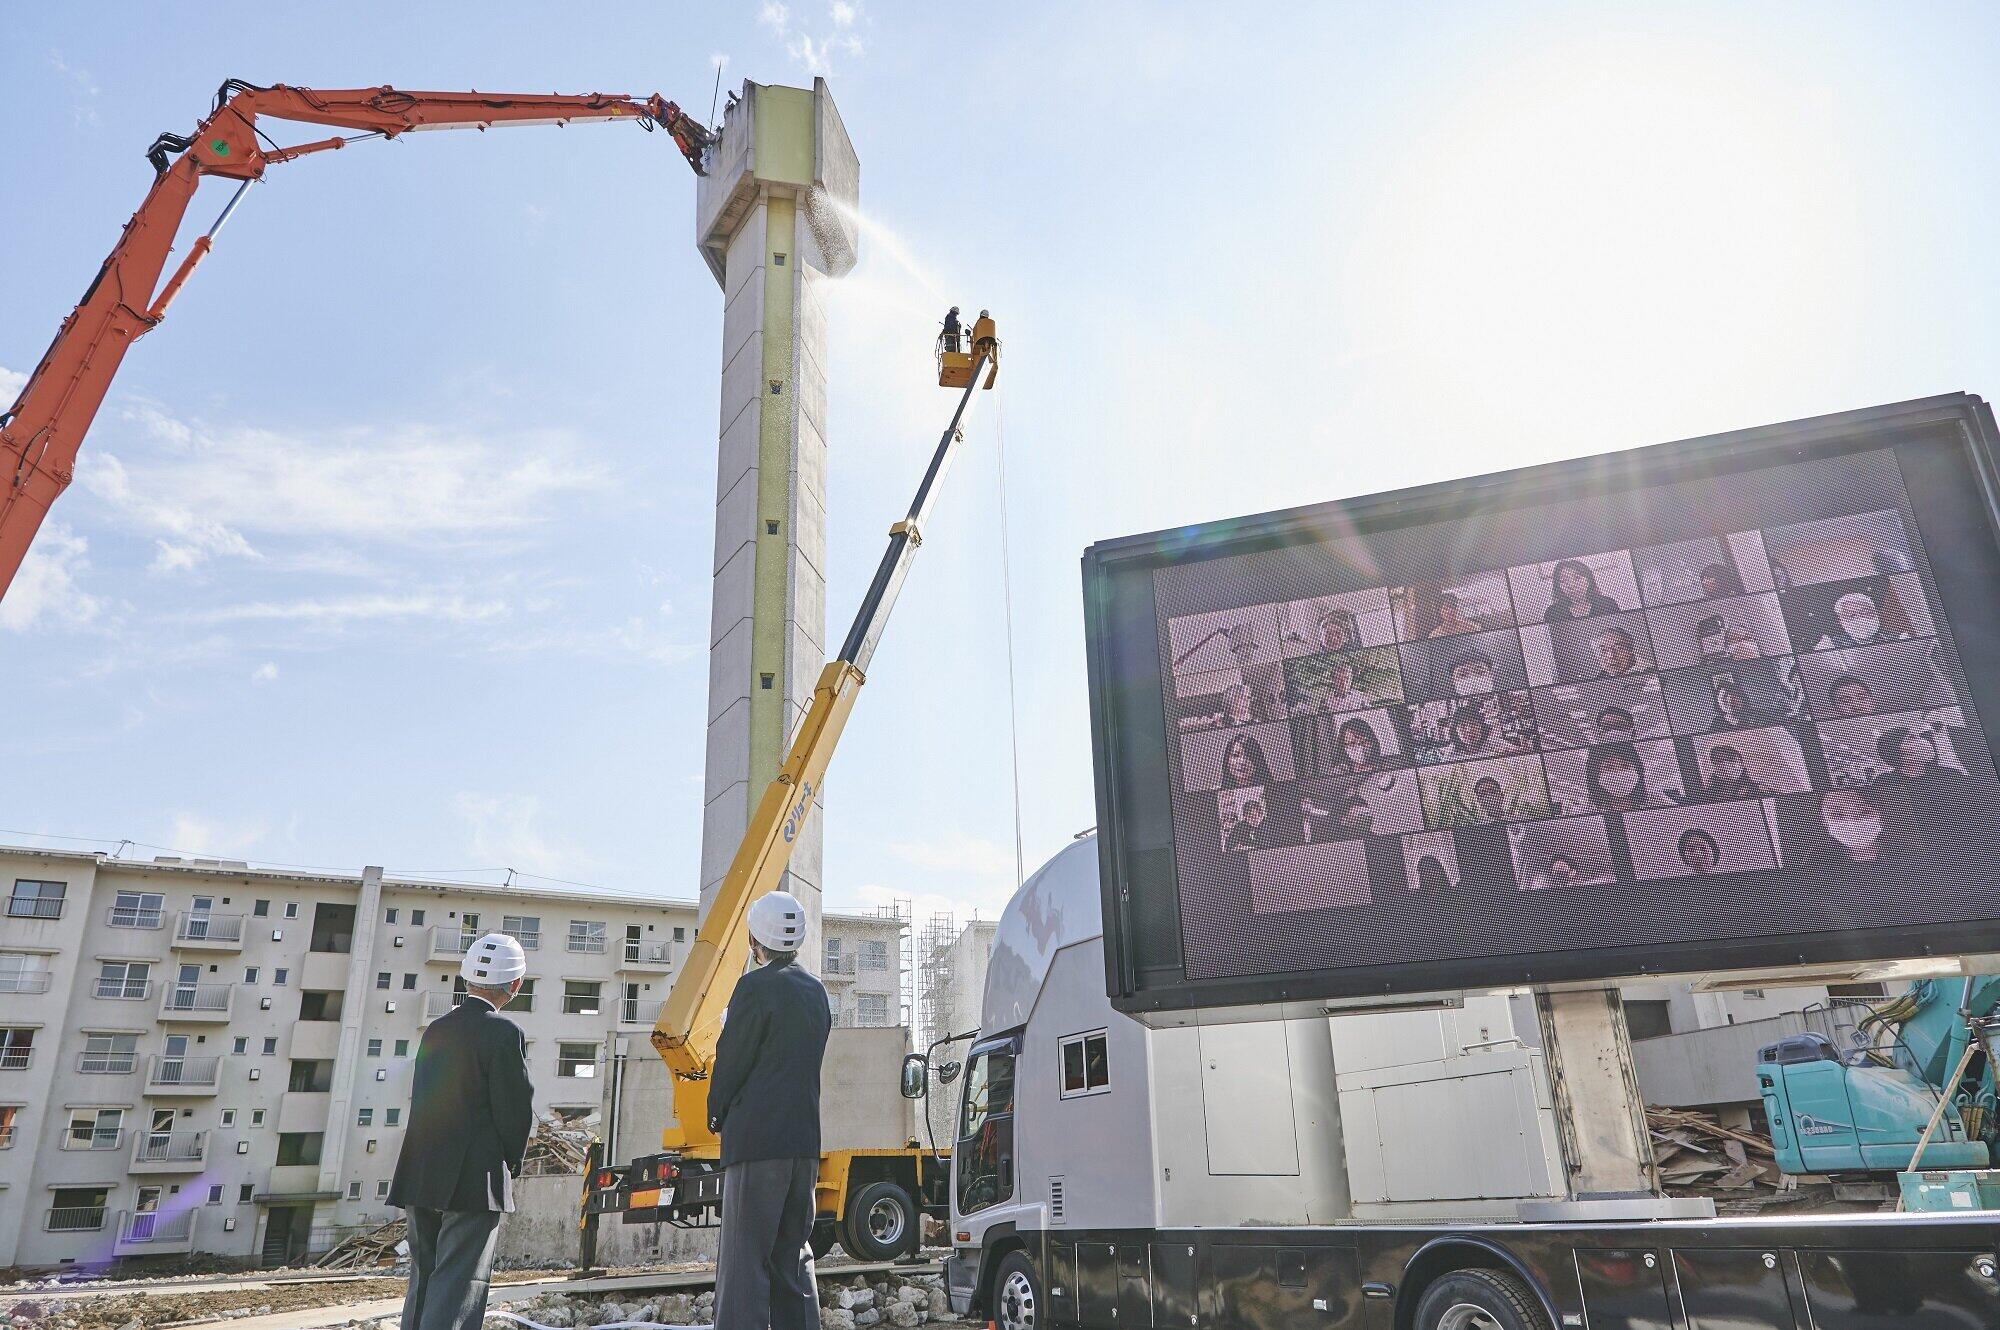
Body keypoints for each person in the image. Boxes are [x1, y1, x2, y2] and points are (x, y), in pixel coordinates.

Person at [390, 934, 535, 1330]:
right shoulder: (505, 1033)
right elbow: (515, 1110)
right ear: (516, 985)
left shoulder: (435, 1030)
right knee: (459, 1281)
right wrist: (512, 1161)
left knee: (424, 1279)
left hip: (420, 1173)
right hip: (474, 1179)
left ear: (466, 977)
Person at [710, 892, 831, 1330]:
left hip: (757, 1146)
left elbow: (733, 1061)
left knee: (745, 1262)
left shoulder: (753, 987)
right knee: (793, 1256)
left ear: (753, 938)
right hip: (803, 1146)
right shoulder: (817, 992)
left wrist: (716, 1112)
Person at [1812, 589, 1908, 651]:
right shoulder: (1830, 646)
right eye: (1852, 615)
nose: (1861, 619)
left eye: (1865, 613)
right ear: (1841, 621)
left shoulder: (1898, 638)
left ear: (1876, 615)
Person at [1545, 559, 1622, 622]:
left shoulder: (1607, 604)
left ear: (1588, 580)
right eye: (1563, 581)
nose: (1571, 585)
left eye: (1577, 578)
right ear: (1558, 587)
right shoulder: (1553, 612)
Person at [1584, 743, 1648, 813]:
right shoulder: (1587, 813)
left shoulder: (1656, 803)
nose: (1617, 772)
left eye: (1625, 766)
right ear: (1595, 775)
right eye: (1607, 767)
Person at [1697, 744, 1768, 801]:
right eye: (1718, 761)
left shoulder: (1757, 789)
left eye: (1729, 759)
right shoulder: (1707, 795)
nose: (1725, 764)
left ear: (1741, 762)